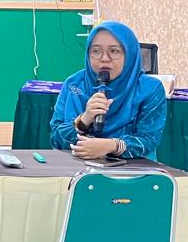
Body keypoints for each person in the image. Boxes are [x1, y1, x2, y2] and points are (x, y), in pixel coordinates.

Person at [50, 20, 167, 160]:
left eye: (114, 51)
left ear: (129, 54)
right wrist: (84, 120)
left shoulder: (149, 89)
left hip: (133, 169)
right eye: (96, 51)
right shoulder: (74, 84)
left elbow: (148, 140)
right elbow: (56, 140)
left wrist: (112, 146)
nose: (104, 58)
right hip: (78, 167)